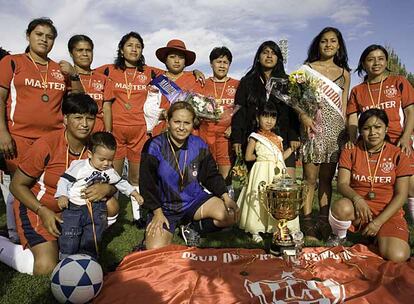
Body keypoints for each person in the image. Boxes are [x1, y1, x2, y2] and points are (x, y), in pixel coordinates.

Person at [8, 93, 116, 275]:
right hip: (39, 207)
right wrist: (42, 211)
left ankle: (86, 237)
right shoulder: (46, 145)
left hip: (72, 209)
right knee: (46, 267)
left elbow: (113, 180)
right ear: (65, 118)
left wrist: (107, 188)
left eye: (90, 118)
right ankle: (4, 246)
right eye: (78, 117)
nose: (84, 124)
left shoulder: (95, 146)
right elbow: (16, 185)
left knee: (111, 204)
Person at [0, 18, 82, 243]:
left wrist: (73, 75)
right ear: (28, 36)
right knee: (17, 185)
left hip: (52, 138)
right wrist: (2, 132)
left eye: (49, 37)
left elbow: (78, 100)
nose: (44, 40)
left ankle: (44, 226)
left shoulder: (59, 69)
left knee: (49, 184)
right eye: (39, 34)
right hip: (19, 137)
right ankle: (15, 234)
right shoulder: (12, 62)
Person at [140, 101, 239, 249]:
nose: (181, 127)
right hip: (166, 208)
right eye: (177, 121)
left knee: (231, 215)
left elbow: (210, 174)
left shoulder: (198, 144)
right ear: (168, 121)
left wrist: (225, 196)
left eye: (186, 123)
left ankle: (193, 228)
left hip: (194, 201)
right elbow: (147, 184)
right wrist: (157, 212)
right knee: (154, 249)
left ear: (193, 124)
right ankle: (159, 231)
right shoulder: (154, 146)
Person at [327, 109, 412, 262]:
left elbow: (401, 195)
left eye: (378, 127)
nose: (372, 132)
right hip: (360, 209)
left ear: (386, 129)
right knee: (341, 207)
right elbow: (342, 184)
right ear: (360, 131)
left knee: (397, 256)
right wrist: (357, 199)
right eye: (366, 128)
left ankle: (382, 236)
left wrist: (378, 222)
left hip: (388, 213)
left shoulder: (398, 154)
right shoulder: (351, 151)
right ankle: (338, 237)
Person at [95, 32, 163, 222]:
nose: (134, 49)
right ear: (122, 50)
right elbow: (86, 73)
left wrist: (195, 73)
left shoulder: (150, 72)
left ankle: (138, 216)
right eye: (130, 45)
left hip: (139, 132)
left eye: (138, 46)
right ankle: (111, 217)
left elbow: (175, 77)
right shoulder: (108, 70)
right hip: (115, 130)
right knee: (113, 175)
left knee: (136, 176)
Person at [347, 44, 414, 221]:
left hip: (398, 141)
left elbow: (410, 112)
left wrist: (406, 137)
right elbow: (353, 118)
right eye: (370, 59)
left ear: (386, 61)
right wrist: (353, 140)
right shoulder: (357, 91)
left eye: (380, 58)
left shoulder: (399, 82)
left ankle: (410, 223)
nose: (376, 63)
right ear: (363, 63)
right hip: (370, 142)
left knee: (411, 185)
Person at [55, 132, 143, 259]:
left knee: (93, 234)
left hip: (97, 207)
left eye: (110, 160)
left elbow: (121, 182)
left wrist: (134, 193)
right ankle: (66, 259)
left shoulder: (109, 171)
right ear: (90, 154)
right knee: (71, 233)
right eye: (102, 159)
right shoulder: (79, 166)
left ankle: (89, 258)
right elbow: (64, 180)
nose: (106, 163)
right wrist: (62, 195)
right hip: (74, 208)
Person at [299, 27, 351, 240]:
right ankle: (307, 222)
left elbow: (345, 104)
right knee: (309, 178)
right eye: (323, 41)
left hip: (335, 130)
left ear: (339, 45)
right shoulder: (306, 69)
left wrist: (347, 131)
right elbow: (296, 98)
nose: (328, 45)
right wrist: (302, 115)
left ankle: (323, 221)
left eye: (332, 41)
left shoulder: (344, 74)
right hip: (312, 128)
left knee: (326, 179)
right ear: (317, 44)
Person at [231, 41, 300, 178]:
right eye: (265, 52)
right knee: (259, 182)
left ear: (278, 58)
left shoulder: (287, 82)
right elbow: (239, 111)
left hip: (282, 138)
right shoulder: (247, 81)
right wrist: (237, 138)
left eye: (273, 53)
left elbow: (293, 111)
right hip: (256, 139)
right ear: (258, 57)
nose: (269, 56)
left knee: (286, 186)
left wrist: (293, 135)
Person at [237, 103, 296, 243]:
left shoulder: (278, 139)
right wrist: (262, 158)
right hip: (261, 171)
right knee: (259, 198)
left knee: (276, 199)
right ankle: (255, 229)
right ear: (258, 118)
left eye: (273, 117)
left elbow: (280, 156)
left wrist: (291, 150)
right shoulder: (255, 137)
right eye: (265, 116)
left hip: (276, 173)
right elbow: (247, 156)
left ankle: (276, 226)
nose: (269, 121)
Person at [199, 47, 239, 179]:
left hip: (226, 135)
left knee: (225, 174)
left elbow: (243, 110)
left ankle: (227, 198)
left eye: (225, 62)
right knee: (205, 171)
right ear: (211, 63)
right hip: (205, 133)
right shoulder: (202, 83)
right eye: (218, 61)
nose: (222, 65)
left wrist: (234, 127)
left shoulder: (237, 85)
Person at [151, 39, 204, 136]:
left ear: (185, 62)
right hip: (161, 132)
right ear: (165, 60)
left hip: (188, 133)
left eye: (180, 57)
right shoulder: (157, 79)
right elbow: (149, 109)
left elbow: (201, 109)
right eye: (172, 57)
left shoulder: (195, 79)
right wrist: (162, 114)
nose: (176, 61)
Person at [68, 35, 114, 132]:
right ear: (71, 53)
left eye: (88, 50)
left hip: (98, 134)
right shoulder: (65, 77)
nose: (85, 54)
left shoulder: (103, 79)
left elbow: (106, 109)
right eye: (80, 50)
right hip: (74, 133)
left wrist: (108, 133)